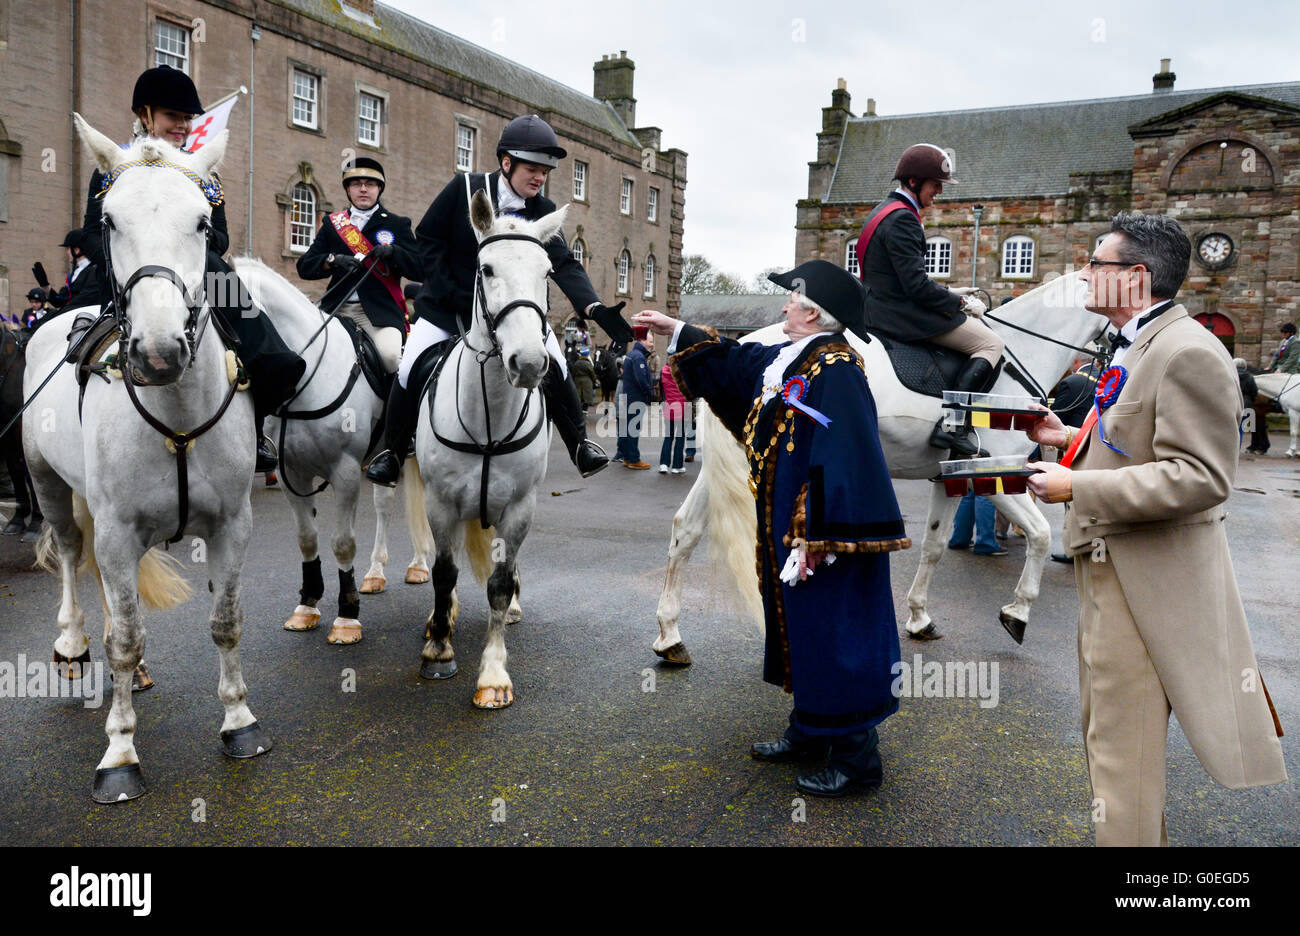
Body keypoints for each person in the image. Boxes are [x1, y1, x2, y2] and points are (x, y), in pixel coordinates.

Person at [1025, 212, 1286, 846]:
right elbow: (1133, 443)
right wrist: (1069, 440)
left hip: (1145, 585)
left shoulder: (1188, 349)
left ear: (1136, 277)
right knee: (1107, 739)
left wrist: (1076, 486)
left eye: (1096, 263)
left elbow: (1200, 476)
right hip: (1110, 565)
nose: (1084, 273)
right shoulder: (1142, 341)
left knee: (1122, 758)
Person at [635, 259, 911, 798]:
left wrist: (817, 535)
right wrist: (679, 330)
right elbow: (738, 363)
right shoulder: (795, 358)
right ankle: (810, 732)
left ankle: (858, 762)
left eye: (792, 299)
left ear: (812, 313)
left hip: (823, 536)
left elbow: (848, 455)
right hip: (788, 529)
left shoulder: (837, 371)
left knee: (835, 631)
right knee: (803, 630)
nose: (784, 305)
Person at [365, 114, 632, 486]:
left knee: (556, 363)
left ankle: (580, 446)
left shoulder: (541, 209)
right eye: (532, 169)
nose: (540, 178)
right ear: (506, 163)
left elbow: (564, 263)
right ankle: (392, 453)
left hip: (511, 314)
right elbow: (428, 238)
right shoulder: (464, 189)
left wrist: (594, 307)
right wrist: (454, 293)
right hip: (449, 306)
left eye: (545, 171)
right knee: (409, 365)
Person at [77, 65, 305, 472]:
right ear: (146, 114)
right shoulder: (113, 166)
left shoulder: (202, 170)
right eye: (172, 116)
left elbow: (221, 238)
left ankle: (252, 433)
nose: (182, 125)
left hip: (201, 275)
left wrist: (187, 242)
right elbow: (91, 234)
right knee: (63, 349)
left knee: (275, 358)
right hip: (124, 275)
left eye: (186, 118)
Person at [856, 144, 1005, 457]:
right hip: (901, 315)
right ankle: (953, 426)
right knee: (991, 344)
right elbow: (916, 287)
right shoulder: (903, 219)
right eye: (935, 184)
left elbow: (903, 277)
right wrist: (960, 304)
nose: (939, 191)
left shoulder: (882, 211)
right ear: (913, 181)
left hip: (881, 307)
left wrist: (951, 291)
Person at [296, 156, 420, 381]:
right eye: (356, 184)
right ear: (348, 190)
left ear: (379, 189)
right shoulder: (333, 224)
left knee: (392, 357)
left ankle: (393, 416)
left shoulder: (396, 224)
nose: (363, 189)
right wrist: (332, 260)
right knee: (304, 351)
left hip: (379, 314)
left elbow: (420, 268)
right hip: (336, 309)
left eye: (370, 184)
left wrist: (394, 253)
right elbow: (304, 266)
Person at [43, 228, 100, 317]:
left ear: (76, 250)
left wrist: (60, 314)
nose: (67, 253)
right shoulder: (75, 272)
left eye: (68, 249)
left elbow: (83, 300)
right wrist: (45, 285)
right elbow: (60, 301)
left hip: (82, 316)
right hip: (70, 312)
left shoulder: (94, 271)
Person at [619, 327, 653, 470]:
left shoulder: (632, 354)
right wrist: (649, 393)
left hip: (628, 397)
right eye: (650, 341)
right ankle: (634, 459)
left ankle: (627, 457)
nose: (652, 344)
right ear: (642, 340)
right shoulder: (638, 356)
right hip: (635, 398)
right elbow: (641, 379)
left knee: (628, 429)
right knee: (633, 429)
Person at [658, 362, 686, 473]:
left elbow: (661, 389)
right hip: (683, 407)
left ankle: (664, 464)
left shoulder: (664, 371)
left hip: (669, 406)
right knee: (680, 437)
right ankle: (677, 466)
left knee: (668, 437)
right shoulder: (683, 371)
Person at [570, 346, 597, 417]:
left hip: (577, 381)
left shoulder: (576, 363)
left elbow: (573, 373)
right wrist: (594, 381)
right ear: (587, 354)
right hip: (587, 382)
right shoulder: (588, 363)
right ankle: (584, 413)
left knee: (578, 398)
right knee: (586, 400)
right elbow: (592, 373)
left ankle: (578, 413)